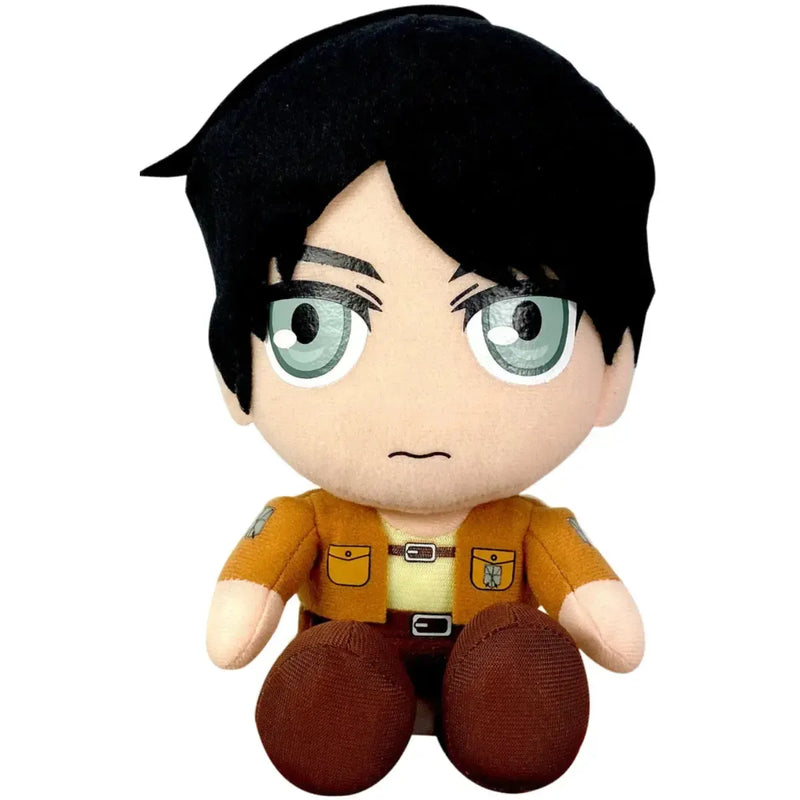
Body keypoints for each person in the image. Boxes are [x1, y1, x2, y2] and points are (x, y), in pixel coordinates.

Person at [141, 5, 655, 794]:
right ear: (233, 368)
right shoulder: (305, 520)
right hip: (351, 666)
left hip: (491, 670)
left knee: (522, 671)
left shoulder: (533, 530)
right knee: (332, 683)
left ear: (614, 368)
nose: (418, 401)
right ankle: (338, 712)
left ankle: (506, 713)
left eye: (520, 324)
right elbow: (238, 626)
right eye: (313, 324)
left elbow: (612, 632)